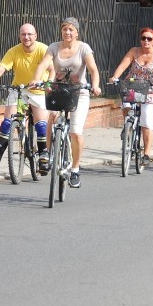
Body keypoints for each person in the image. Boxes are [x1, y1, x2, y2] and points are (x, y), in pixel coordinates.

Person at [32, 17, 101, 188]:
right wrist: (36, 79)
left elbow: (93, 70)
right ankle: (46, 154)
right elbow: (43, 64)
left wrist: (95, 86)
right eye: (64, 29)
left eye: (71, 29)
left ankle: (75, 169)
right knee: (50, 118)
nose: (67, 32)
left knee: (75, 132)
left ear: (77, 32)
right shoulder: (54, 47)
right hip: (58, 89)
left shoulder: (84, 48)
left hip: (79, 92)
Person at [0, 24, 51, 175]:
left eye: (29, 34)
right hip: (18, 89)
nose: (26, 37)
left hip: (38, 91)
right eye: (23, 34)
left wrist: (48, 84)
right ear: (19, 36)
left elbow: (52, 70)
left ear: (35, 35)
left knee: (40, 123)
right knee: (7, 123)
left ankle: (43, 158)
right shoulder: (13, 51)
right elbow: (1, 67)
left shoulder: (43, 49)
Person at [108, 28, 153, 166]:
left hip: (151, 88)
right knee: (126, 105)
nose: (146, 41)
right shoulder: (134, 51)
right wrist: (115, 77)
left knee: (146, 119)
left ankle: (146, 153)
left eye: (149, 39)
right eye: (143, 38)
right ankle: (127, 126)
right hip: (133, 85)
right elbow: (123, 66)